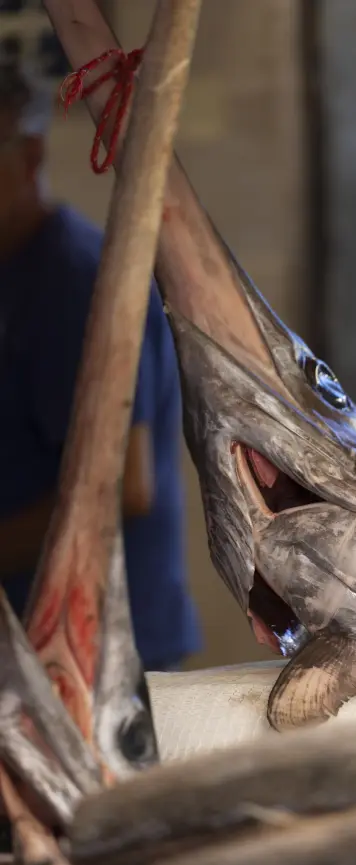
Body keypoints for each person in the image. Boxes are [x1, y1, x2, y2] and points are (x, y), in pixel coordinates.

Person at [0, 65, 201, 671]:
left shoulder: (72, 280)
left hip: (102, 651)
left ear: (30, 155)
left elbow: (122, 483)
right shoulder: (13, 271)